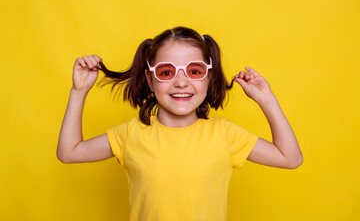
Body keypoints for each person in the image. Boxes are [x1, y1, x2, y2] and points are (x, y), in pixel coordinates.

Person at [57, 26, 303, 221]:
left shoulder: (225, 134)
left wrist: (267, 100)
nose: (181, 82)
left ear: (209, 77)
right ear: (150, 80)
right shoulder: (131, 134)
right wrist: (79, 92)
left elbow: (290, 158)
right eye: (166, 72)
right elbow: (69, 152)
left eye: (194, 71)